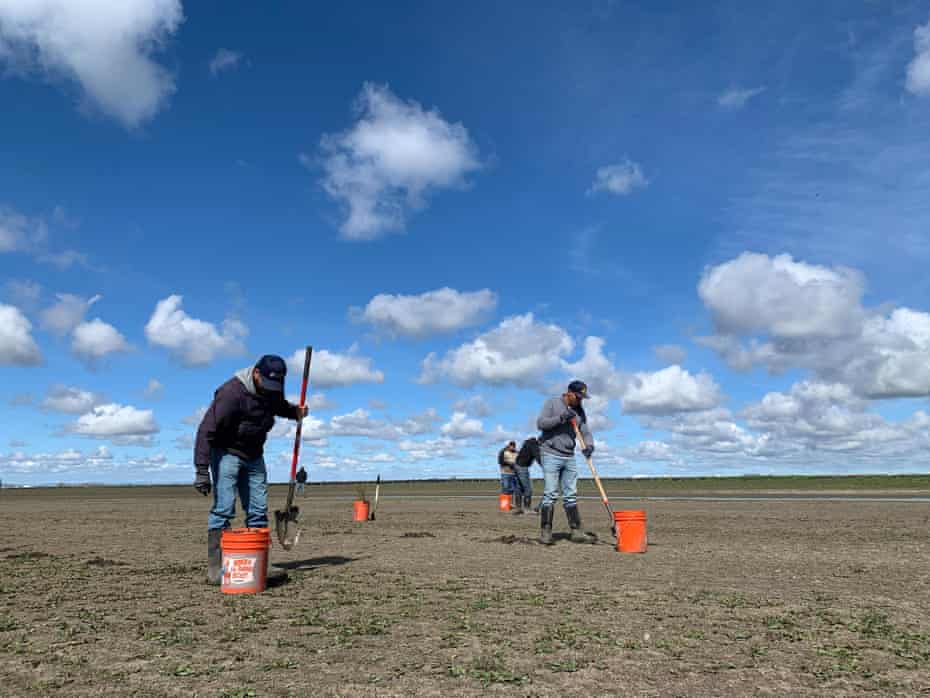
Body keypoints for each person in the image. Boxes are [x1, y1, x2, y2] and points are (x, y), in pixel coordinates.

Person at [194, 355, 308, 585]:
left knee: (258, 509)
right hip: (226, 452)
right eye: (267, 383)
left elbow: (278, 406)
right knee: (223, 508)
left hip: (254, 455)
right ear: (256, 373)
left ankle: (259, 562)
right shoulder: (231, 393)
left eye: (275, 385)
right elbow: (207, 428)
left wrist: (294, 412)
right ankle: (216, 568)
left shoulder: (272, 390)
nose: (271, 389)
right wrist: (202, 469)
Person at [535, 380, 595, 545]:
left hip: (569, 456)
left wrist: (589, 446)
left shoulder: (579, 411)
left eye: (582, 397)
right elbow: (541, 423)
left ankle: (576, 531)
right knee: (551, 494)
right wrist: (561, 418)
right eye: (578, 396)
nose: (580, 400)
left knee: (570, 495)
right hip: (550, 454)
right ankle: (546, 533)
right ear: (569, 392)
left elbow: (585, 431)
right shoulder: (552, 403)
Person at [511, 436, 540, 514]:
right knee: (528, 489)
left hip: (516, 466)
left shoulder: (527, 443)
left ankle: (518, 508)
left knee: (519, 488)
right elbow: (538, 457)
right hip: (522, 467)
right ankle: (527, 509)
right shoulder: (534, 445)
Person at [497, 440, 518, 505]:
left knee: (513, 489)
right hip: (505, 473)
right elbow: (500, 461)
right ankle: (504, 504)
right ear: (509, 446)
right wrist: (510, 464)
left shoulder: (517, 453)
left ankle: (511, 503)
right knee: (505, 488)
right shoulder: (503, 451)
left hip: (514, 473)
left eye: (514, 446)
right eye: (512, 446)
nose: (513, 447)